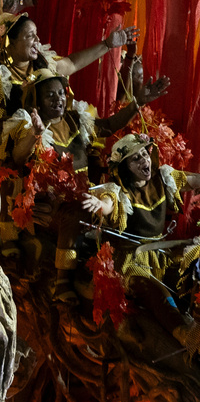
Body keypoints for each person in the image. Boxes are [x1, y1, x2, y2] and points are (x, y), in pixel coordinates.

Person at [1, 70, 168, 299]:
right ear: (36, 101)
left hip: (84, 195)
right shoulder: (26, 123)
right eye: (50, 96)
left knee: (114, 204)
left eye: (61, 93)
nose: (58, 99)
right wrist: (35, 134)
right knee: (74, 212)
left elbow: (108, 125)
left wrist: (137, 102)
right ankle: (62, 282)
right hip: (49, 206)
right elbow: (19, 157)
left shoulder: (75, 118)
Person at [82, 133, 200, 353]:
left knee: (189, 275)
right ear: (123, 167)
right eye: (135, 158)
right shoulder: (118, 191)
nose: (144, 161)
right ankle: (185, 335)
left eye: (145, 154)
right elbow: (109, 204)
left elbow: (193, 180)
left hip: (161, 255)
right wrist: (99, 203)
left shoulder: (163, 177)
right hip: (129, 262)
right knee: (156, 292)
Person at [0, 13, 139, 116]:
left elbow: (71, 63)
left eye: (37, 35)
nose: (38, 41)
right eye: (31, 35)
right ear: (10, 41)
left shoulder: (43, 63)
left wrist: (108, 44)